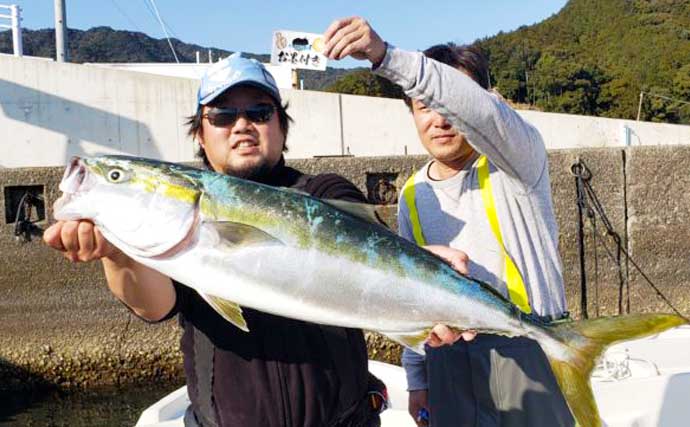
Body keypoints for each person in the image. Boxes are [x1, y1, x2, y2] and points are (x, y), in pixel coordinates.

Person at [44, 53, 385, 427]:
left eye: (259, 113)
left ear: (282, 128)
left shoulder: (324, 193)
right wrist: (117, 254)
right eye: (222, 116)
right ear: (200, 136)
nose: (242, 126)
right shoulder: (175, 236)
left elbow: (376, 251)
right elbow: (154, 307)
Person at [323, 17, 574, 427]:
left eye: (449, 106)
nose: (439, 119)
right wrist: (418, 376)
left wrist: (386, 56)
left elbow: (484, 115)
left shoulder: (517, 162)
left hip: (529, 348)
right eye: (424, 106)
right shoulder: (412, 193)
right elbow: (410, 289)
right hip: (447, 362)